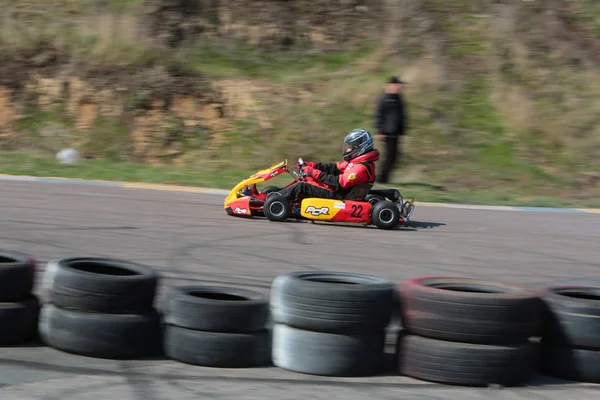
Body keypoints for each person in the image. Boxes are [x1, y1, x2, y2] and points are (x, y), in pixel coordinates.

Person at [272, 128, 380, 202]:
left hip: (339, 195)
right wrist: (312, 165)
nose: (347, 149)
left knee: (302, 186)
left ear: (360, 148)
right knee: (303, 180)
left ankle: (274, 199)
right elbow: (333, 168)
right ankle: (276, 194)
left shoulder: (361, 168)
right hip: (337, 191)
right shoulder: (354, 162)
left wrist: (314, 172)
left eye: (350, 147)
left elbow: (339, 183)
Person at [374, 76, 407, 184]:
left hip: (396, 132)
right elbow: (379, 114)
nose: (399, 87)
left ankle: (384, 179)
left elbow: (402, 115)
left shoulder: (398, 98)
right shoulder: (384, 98)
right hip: (387, 132)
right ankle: (381, 179)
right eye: (397, 85)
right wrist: (379, 131)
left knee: (394, 157)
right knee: (389, 157)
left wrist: (402, 130)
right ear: (391, 85)